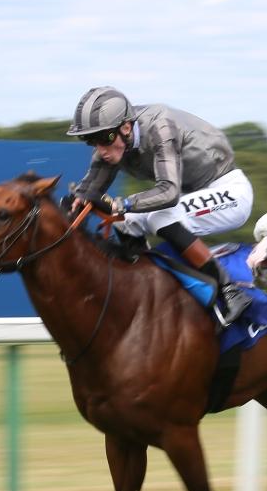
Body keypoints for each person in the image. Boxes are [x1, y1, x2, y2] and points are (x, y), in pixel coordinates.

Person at [66, 86, 253, 326]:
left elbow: (169, 193)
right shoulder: (112, 144)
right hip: (191, 194)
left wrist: (122, 204)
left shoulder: (160, 128)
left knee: (159, 218)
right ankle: (145, 287)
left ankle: (229, 291)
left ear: (126, 128)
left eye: (104, 138)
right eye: (91, 141)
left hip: (230, 191)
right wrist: (75, 202)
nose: (100, 150)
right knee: (125, 223)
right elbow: (87, 192)